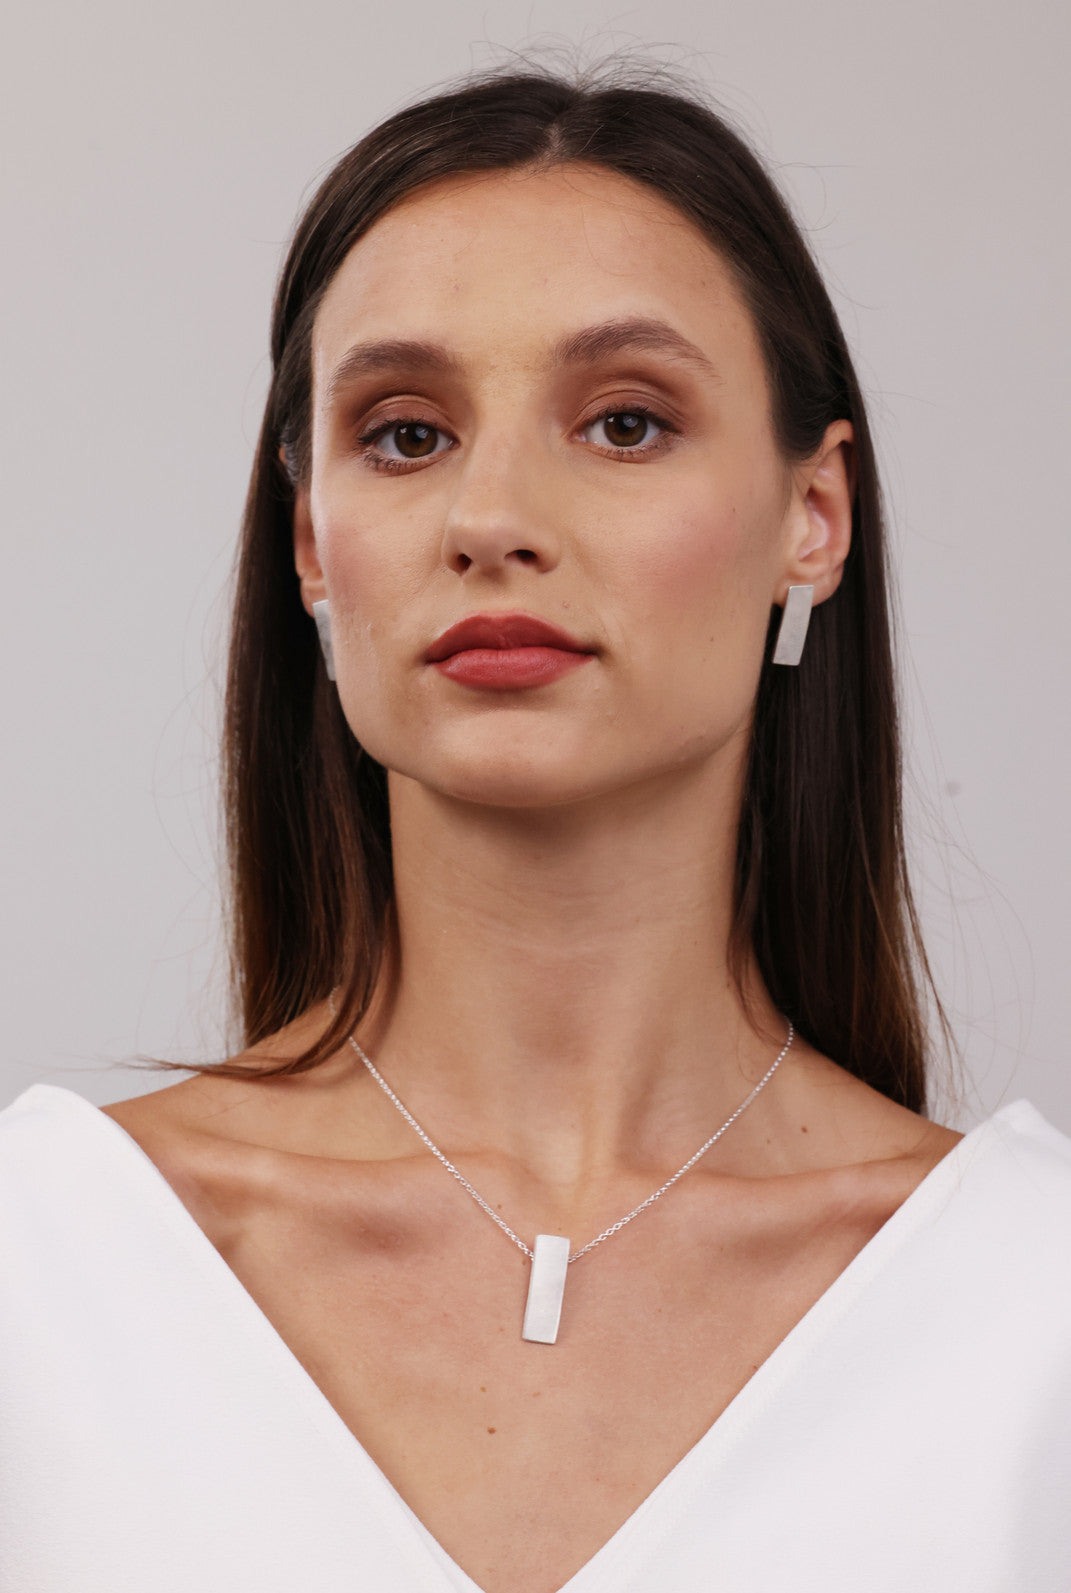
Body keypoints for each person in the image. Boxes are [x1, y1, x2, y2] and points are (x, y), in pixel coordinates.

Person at [1, 63, 1069, 1593]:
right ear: (312, 544)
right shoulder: (40, 1273)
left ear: (812, 517)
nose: (491, 518)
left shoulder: (1034, 1311)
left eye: (625, 422)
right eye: (405, 434)